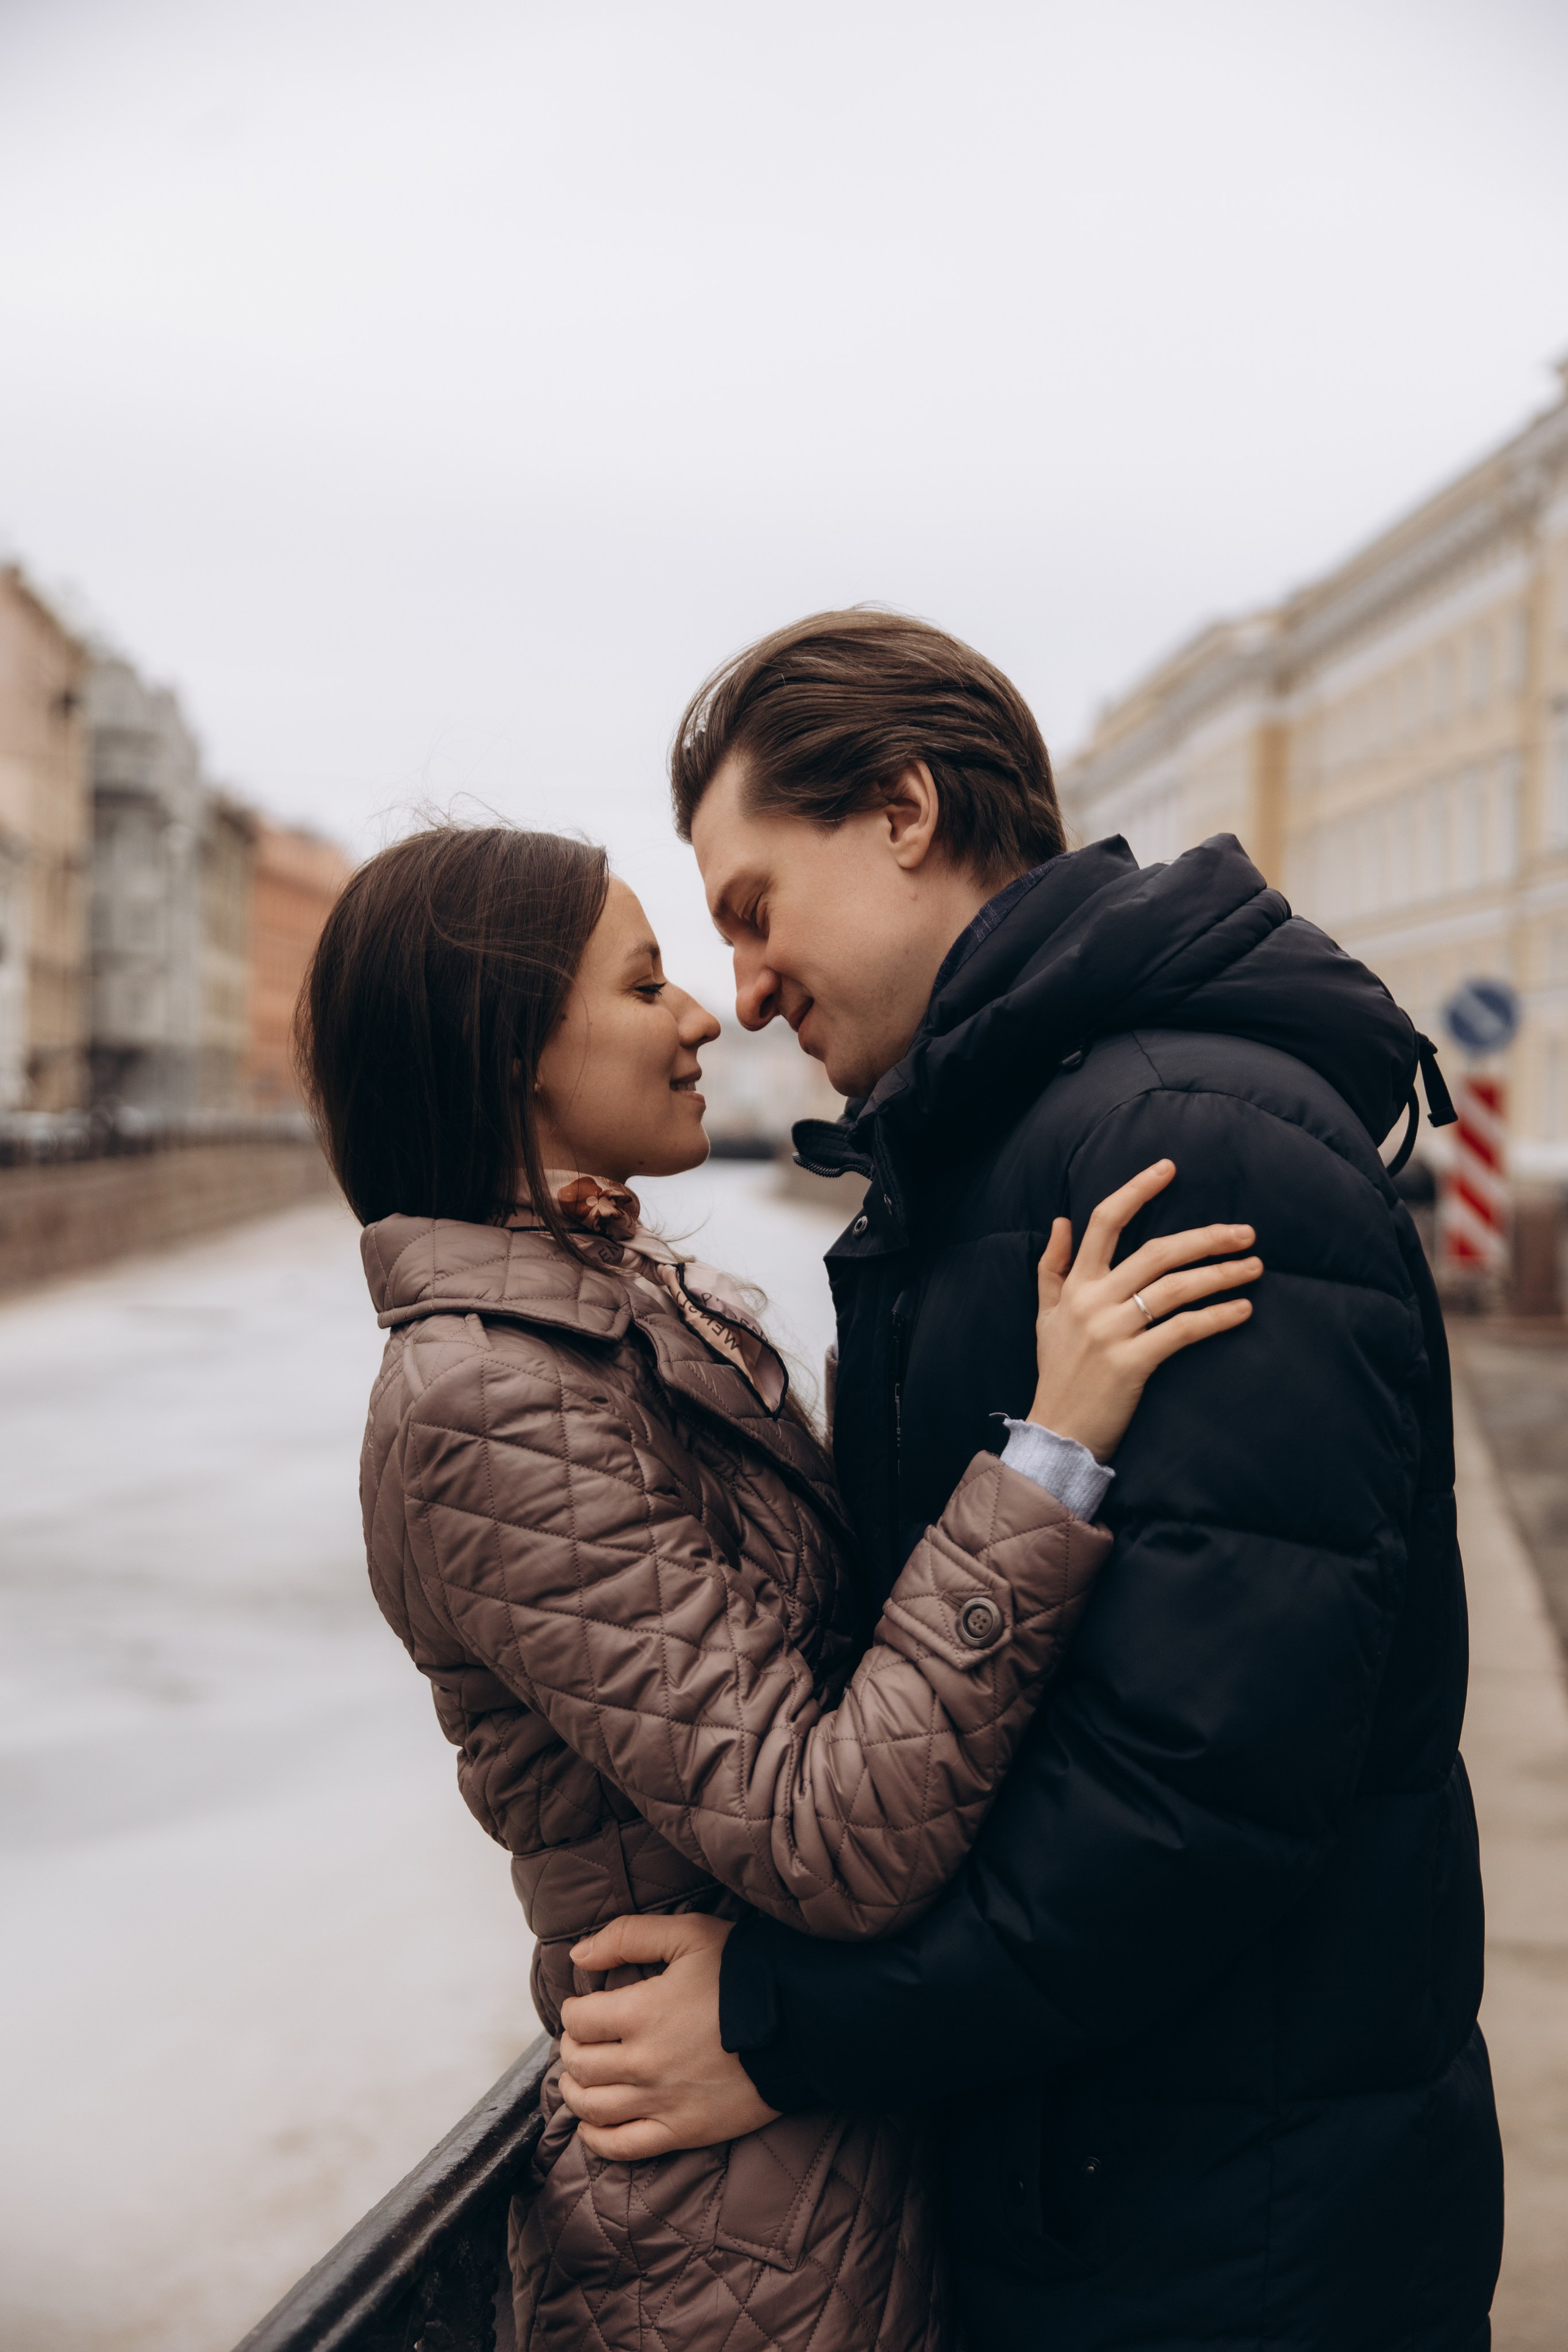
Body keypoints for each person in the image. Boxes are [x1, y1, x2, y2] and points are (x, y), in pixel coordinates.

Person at [556, 611, 1505, 2352]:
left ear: (903, 811)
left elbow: (1195, 1788)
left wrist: (782, 2025)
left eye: (755, 908)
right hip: (1128, 2180)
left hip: (1224, 2244)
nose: (743, 990)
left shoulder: (1178, 1146)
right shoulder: (1011, 1144)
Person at [297, 821, 1257, 2352]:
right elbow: (832, 1832)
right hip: (725, 2245)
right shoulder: (484, 1403)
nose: (704, 1015)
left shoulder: (615, 1310)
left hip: (814, 2149)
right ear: (511, 1052)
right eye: (644, 985)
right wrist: (1050, 1453)